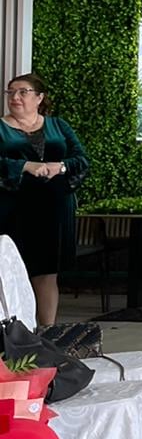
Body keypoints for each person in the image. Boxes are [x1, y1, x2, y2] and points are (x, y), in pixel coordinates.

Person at [1, 74, 89, 327]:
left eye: (23, 92)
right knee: (15, 270)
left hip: (54, 209)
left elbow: (81, 159)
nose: (15, 97)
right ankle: (19, 333)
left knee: (47, 272)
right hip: (14, 209)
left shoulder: (58, 125)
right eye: (11, 92)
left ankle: (48, 333)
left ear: (39, 98)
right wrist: (24, 166)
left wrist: (60, 167)